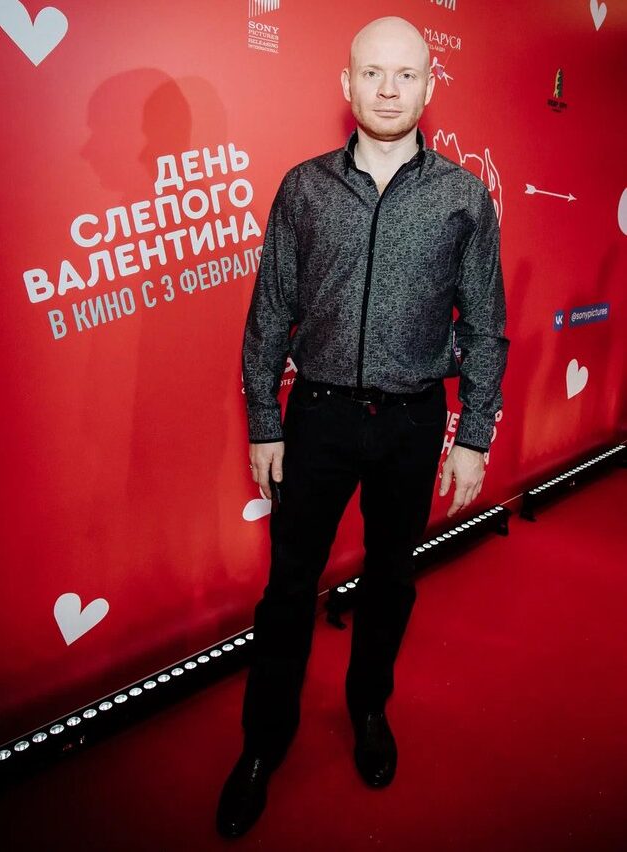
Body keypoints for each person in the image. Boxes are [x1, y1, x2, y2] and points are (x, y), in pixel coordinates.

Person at [216, 15, 509, 838]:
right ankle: (262, 746)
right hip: (315, 419)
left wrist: (475, 436)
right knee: (287, 590)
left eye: (405, 74)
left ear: (429, 85)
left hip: (413, 423)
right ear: (346, 84)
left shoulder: (463, 197)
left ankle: (369, 711)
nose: (388, 89)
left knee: (390, 581)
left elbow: (487, 327)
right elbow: (268, 315)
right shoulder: (303, 188)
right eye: (372, 73)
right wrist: (265, 421)